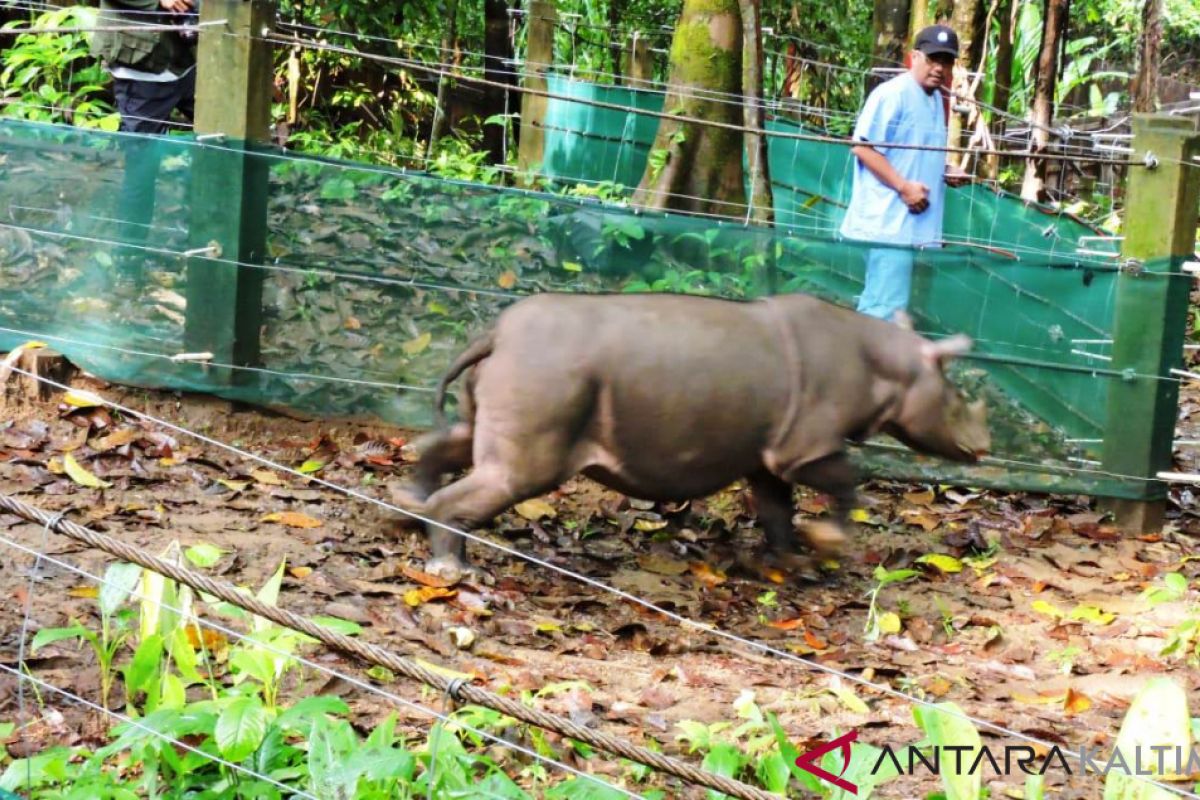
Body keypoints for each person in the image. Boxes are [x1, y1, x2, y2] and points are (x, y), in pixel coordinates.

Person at [839, 24, 969, 323]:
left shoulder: (936, 99)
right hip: (888, 225)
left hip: (912, 229)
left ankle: (869, 364)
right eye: (933, 59)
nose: (939, 68)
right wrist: (903, 187)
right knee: (884, 307)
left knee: (888, 304)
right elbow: (863, 147)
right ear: (914, 57)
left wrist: (944, 170)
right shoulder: (892, 94)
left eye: (946, 61)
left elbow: (912, 152)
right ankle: (865, 367)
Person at [91, 0, 198, 281]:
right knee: (141, 170)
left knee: (224, 141)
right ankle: (128, 266)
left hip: (189, 59)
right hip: (141, 68)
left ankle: (216, 250)